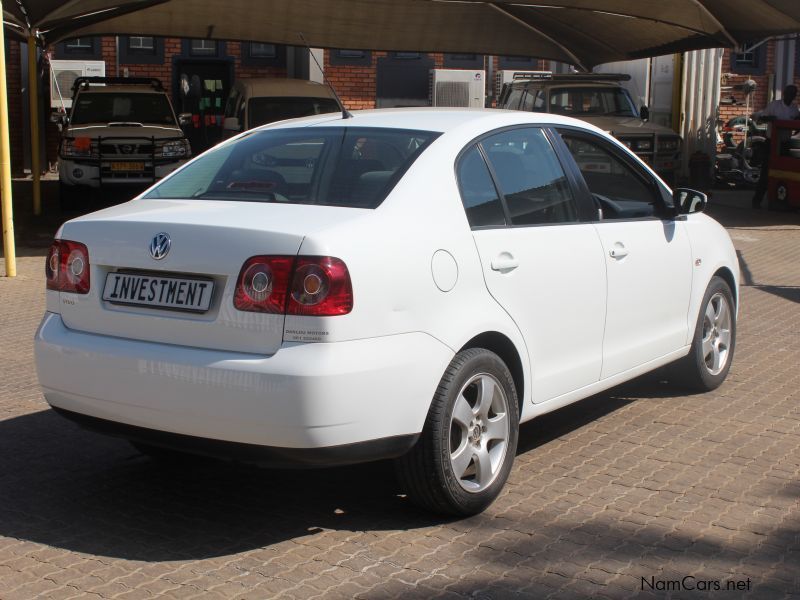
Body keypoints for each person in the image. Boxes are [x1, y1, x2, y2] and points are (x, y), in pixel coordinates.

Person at [751, 84, 800, 208]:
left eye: (793, 94)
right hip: (771, 143)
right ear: (784, 93)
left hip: (785, 144)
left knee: (783, 172)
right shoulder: (774, 105)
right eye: (788, 93)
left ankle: (779, 199)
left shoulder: (794, 109)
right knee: (766, 172)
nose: (790, 96)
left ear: (794, 96)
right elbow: (761, 118)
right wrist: (770, 118)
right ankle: (757, 201)